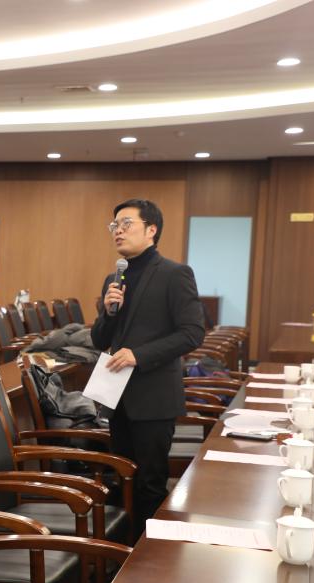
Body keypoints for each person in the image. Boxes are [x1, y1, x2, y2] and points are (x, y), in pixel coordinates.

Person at [90, 198, 205, 538]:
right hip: (117, 397)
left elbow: (192, 332)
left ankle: (151, 558)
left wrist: (138, 355)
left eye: (126, 224)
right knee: (121, 480)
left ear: (151, 230)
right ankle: (123, 551)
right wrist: (108, 312)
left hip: (153, 398)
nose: (118, 231)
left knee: (150, 484)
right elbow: (100, 339)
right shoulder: (114, 278)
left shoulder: (174, 274)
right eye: (114, 225)